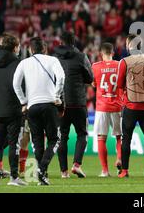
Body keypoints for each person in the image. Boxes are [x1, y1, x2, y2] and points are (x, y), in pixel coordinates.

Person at [13, 37, 65, 186]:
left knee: (37, 142)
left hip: (32, 107)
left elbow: (15, 83)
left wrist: (23, 101)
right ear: (45, 49)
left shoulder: (24, 63)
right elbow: (61, 77)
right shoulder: (53, 60)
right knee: (55, 139)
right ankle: (41, 170)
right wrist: (56, 95)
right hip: (49, 105)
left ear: (30, 50)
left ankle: (42, 177)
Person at [116, 34, 144, 178]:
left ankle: (125, 170)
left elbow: (119, 85)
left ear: (129, 45)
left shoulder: (124, 61)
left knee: (126, 139)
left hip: (131, 106)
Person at [0, 34, 27, 186]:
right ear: (15, 47)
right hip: (14, 110)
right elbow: (21, 86)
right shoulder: (18, 63)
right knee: (13, 144)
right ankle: (14, 177)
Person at [54, 32, 93, 178]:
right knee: (82, 134)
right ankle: (77, 165)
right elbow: (90, 77)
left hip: (60, 103)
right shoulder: (81, 56)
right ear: (74, 42)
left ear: (61, 41)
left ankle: (63, 172)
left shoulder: (54, 59)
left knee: (62, 137)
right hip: (78, 102)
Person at [92, 43, 123, 177]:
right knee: (119, 137)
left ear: (101, 53)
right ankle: (120, 158)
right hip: (117, 106)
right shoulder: (120, 65)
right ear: (113, 52)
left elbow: (94, 84)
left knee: (101, 138)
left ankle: (105, 170)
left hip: (102, 107)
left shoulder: (95, 67)